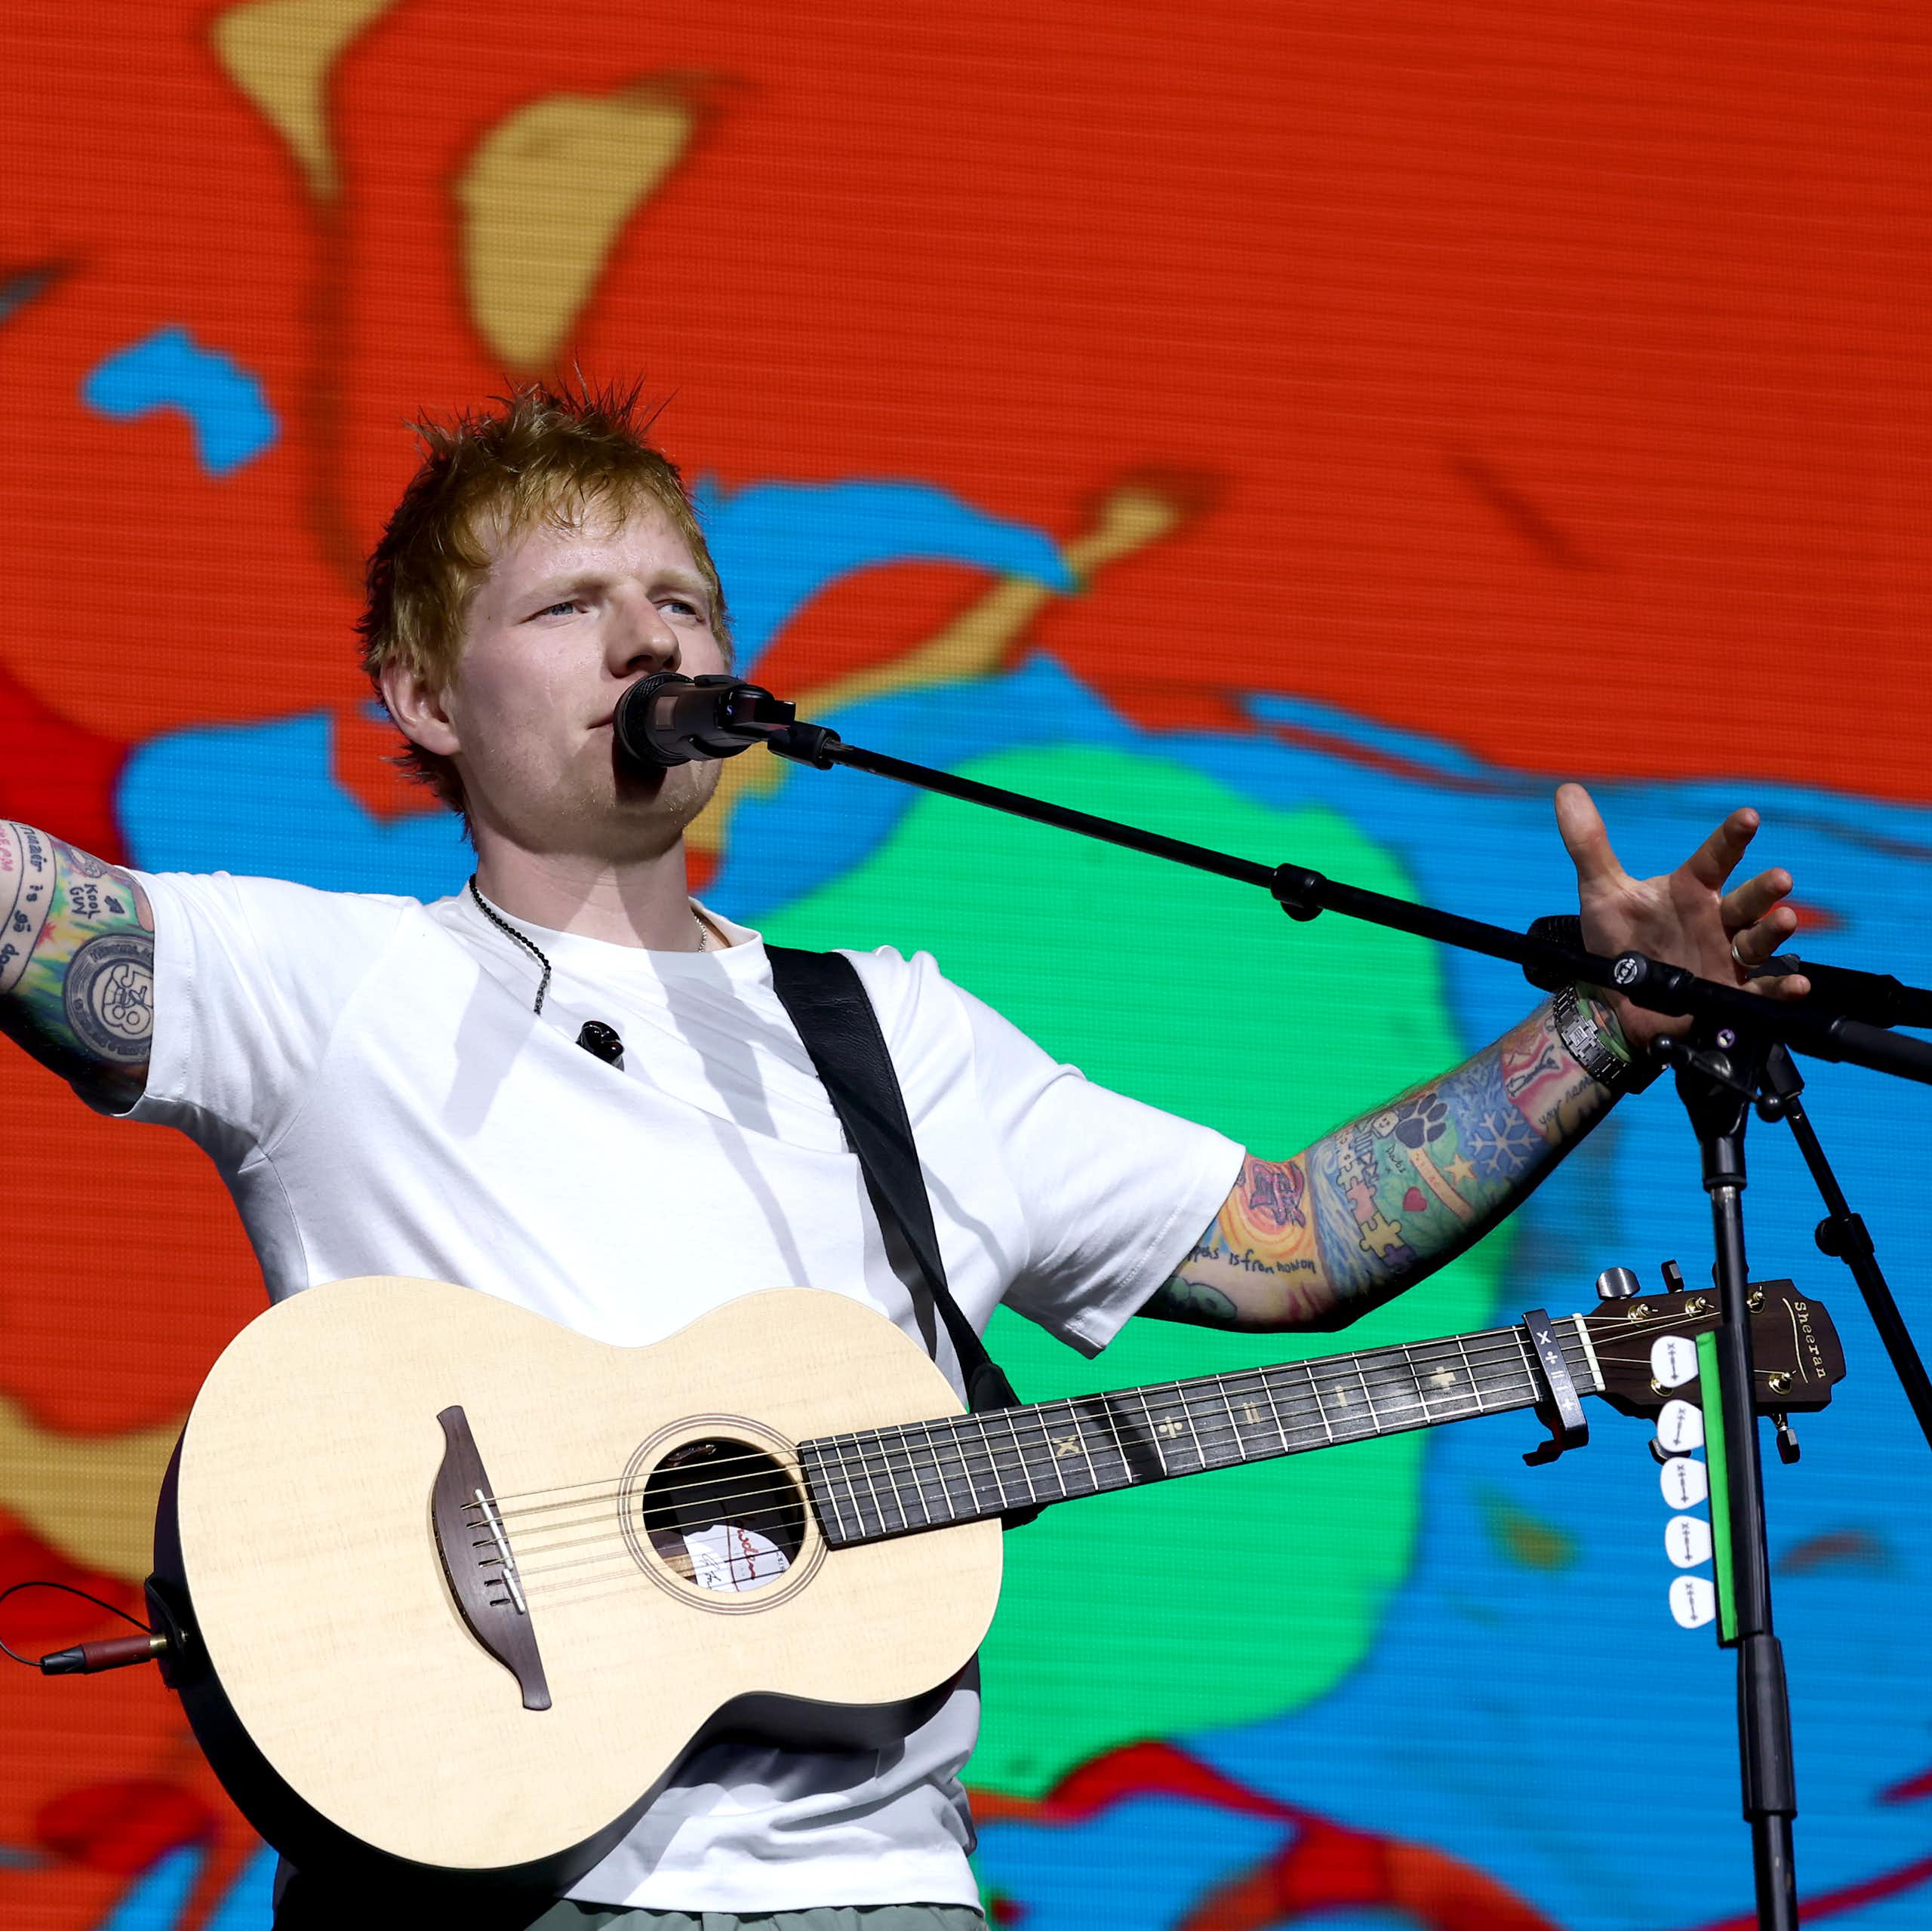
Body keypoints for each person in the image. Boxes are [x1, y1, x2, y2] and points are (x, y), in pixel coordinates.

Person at [0, 384, 1805, 1929]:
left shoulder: (893, 1031)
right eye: (570, 604)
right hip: (489, 1877)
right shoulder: (334, 986)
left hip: (878, 1891)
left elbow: (1283, 1235)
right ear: (419, 695)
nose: (652, 642)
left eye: (681, 599)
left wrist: (1600, 1030)